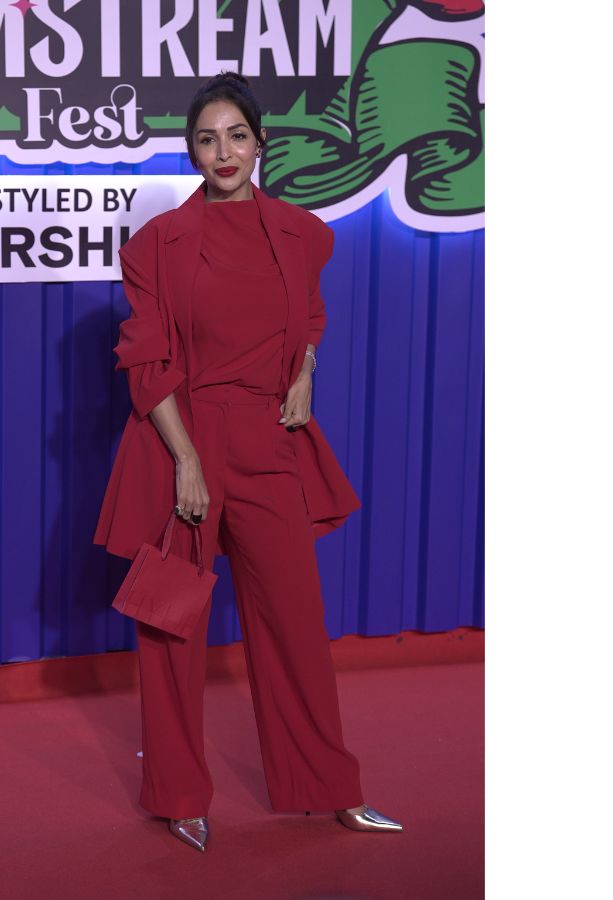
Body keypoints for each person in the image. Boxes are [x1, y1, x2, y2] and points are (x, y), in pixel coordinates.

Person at [93, 71, 403, 852]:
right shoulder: (155, 245)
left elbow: (309, 317)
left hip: (269, 441)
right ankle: (179, 796)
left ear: (261, 143)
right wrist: (186, 460)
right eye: (207, 139)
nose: (223, 151)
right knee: (173, 624)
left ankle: (332, 789)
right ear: (191, 152)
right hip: (185, 439)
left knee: (296, 623)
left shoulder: (303, 234)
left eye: (237, 135)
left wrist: (305, 371)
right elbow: (146, 359)